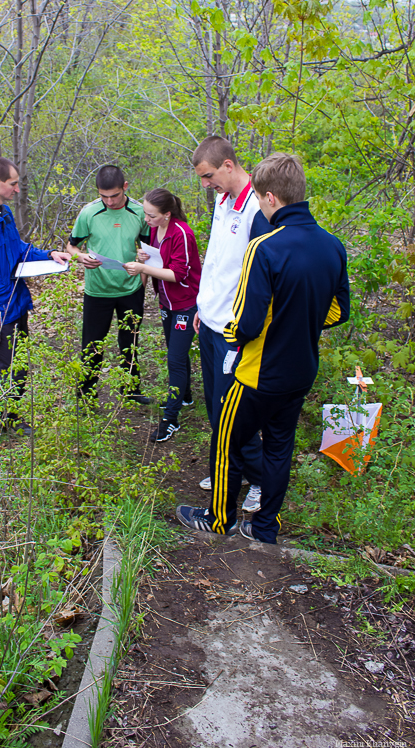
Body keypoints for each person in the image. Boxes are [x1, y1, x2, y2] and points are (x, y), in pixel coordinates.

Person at [176, 153, 350, 543]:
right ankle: (266, 527)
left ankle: (219, 520)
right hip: (301, 369)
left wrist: (239, 333)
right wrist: (297, 321)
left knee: (227, 442)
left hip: (257, 372)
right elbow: (339, 311)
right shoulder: (332, 246)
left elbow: (247, 324)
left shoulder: (265, 247)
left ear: (270, 198)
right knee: (277, 448)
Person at [0, 157, 69, 427]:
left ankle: (10, 418)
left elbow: (18, 249)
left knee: (18, 367)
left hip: (16, 303)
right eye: (13, 184)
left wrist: (48, 254)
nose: (17, 189)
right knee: (6, 369)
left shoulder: (3, 214)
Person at [192, 136, 271, 512]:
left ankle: (258, 480)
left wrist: (244, 328)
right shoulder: (223, 202)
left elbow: (259, 278)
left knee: (234, 411)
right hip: (208, 321)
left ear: (227, 165)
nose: (206, 185)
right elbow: (217, 259)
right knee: (214, 405)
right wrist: (201, 304)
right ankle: (229, 470)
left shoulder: (258, 208)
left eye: (209, 176)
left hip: (233, 330)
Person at [67, 165, 151, 401]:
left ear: (125, 187)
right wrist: (81, 256)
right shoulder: (89, 213)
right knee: (92, 344)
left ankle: (131, 390)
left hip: (130, 288)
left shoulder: (139, 211)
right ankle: (86, 394)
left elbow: (146, 249)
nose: (110, 201)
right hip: (98, 290)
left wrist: (142, 281)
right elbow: (71, 245)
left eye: (114, 195)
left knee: (130, 340)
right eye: (104, 196)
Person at [124, 189, 202, 442]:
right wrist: (146, 258)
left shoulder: (182, 233)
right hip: (167, 302)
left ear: (167, 214)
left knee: (175, 359)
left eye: (151, 215)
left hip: (186, 304)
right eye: (145, 213)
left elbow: (178, 274)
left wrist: (144, 267)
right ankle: (186, 395)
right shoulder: (157, 230)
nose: (146, 220)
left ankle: (171, 419)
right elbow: (161, 263)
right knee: (175, 351)